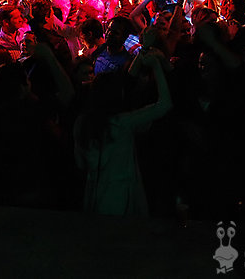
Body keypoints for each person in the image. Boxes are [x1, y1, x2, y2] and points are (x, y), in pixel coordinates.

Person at [74, 46, 172, 216]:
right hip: (120, 196)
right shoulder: (123, 122)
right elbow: (165, 104)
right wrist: (156, 66)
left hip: (93, 194)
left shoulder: (81, 122)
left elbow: (80, 164)